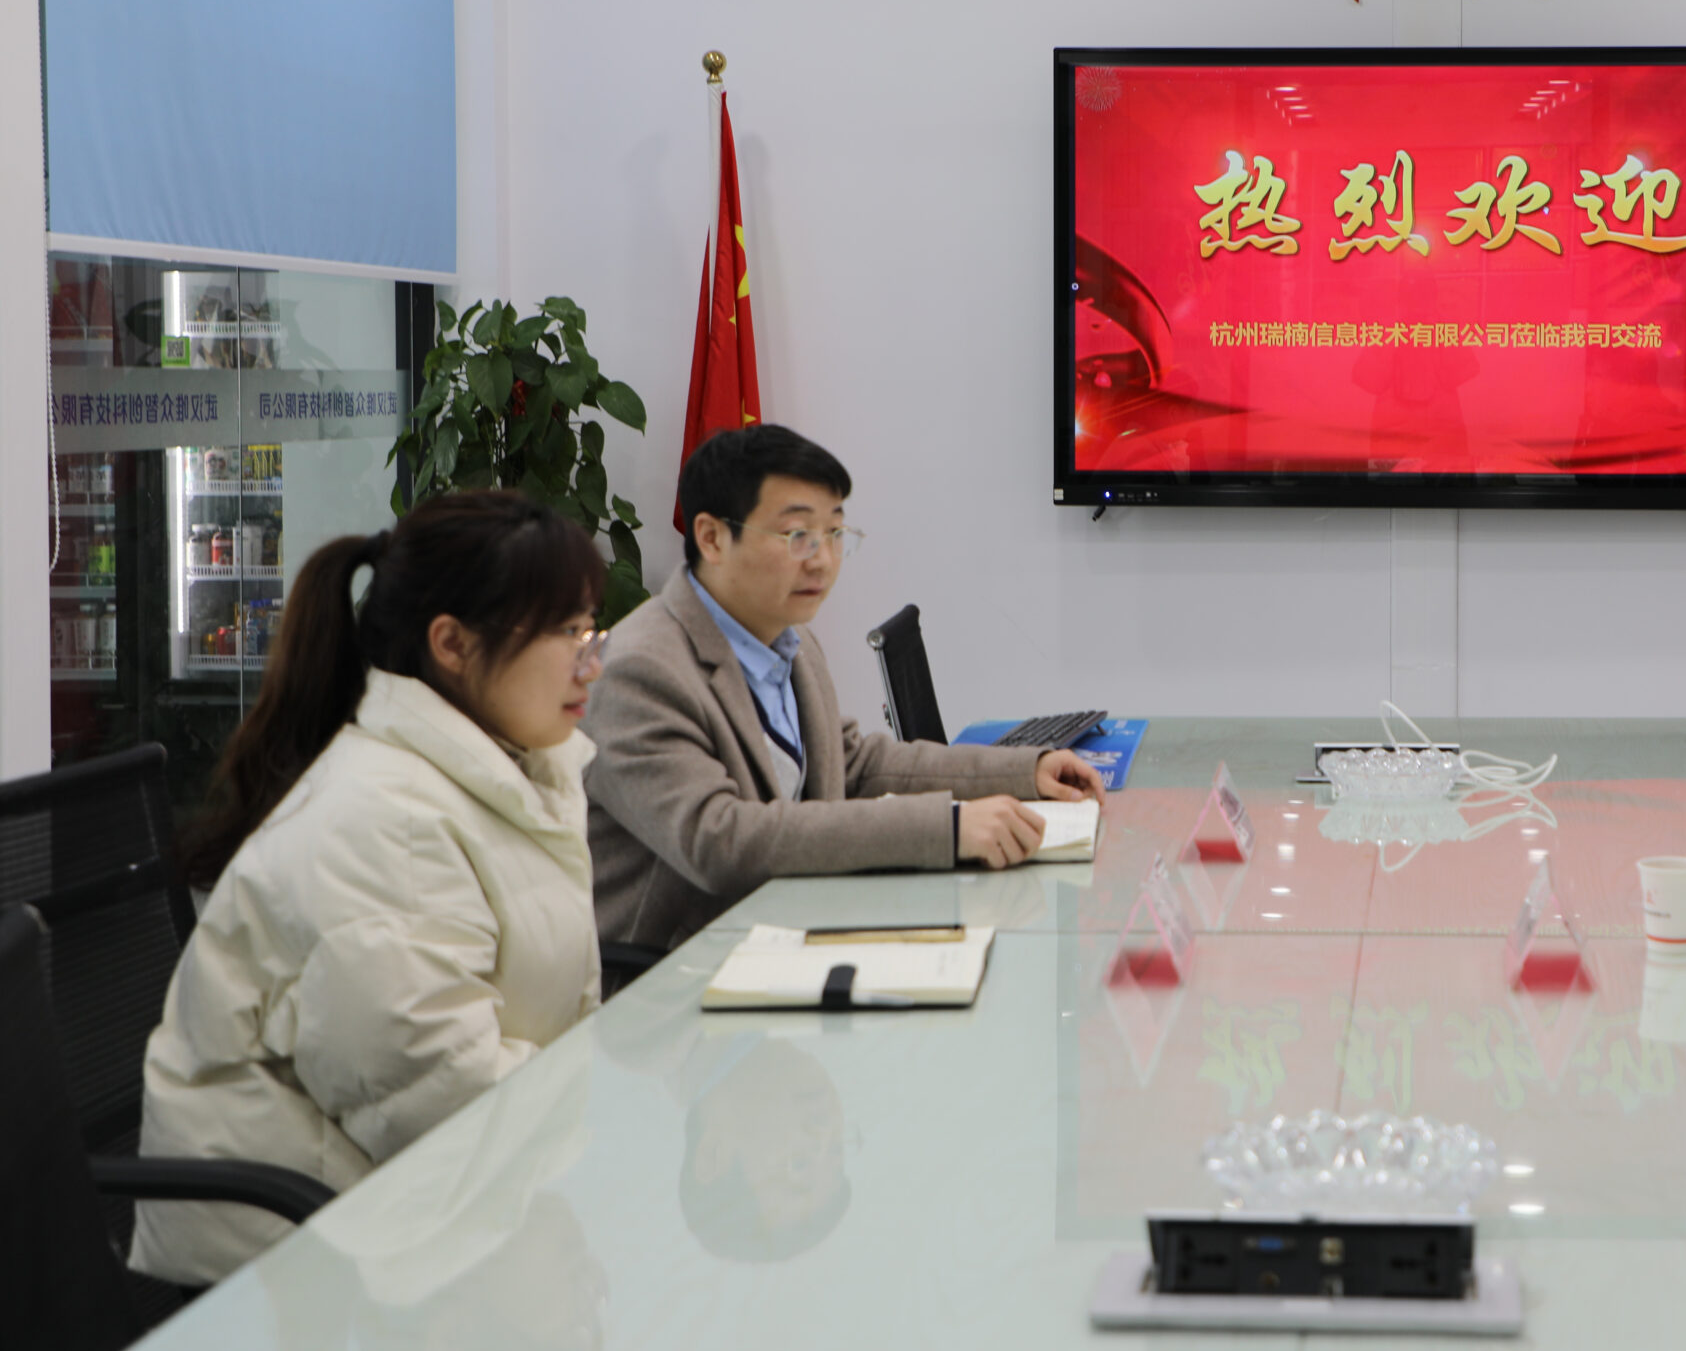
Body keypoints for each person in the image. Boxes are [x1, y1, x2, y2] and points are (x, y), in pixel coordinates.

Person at [134, 492, 611, 1285]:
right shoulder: (390, 825)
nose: (589, 662)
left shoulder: (501, 772)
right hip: (292, 1273)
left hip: (419, 1208)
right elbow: (439, 1105)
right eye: (565, 633)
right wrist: (608, 1116)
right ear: (452, 643)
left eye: (590, 629)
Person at [582, 425, 1103, 952]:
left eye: (834, 533)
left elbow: (851, 764)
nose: (823, 560)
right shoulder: (639, 668)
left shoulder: (791, 640)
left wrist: (1023, 772)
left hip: (787, 934)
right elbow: (720, 839)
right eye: (796, 535)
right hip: (675, 970)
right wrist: (944, 828)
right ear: (712, 537)